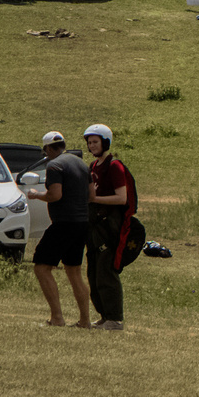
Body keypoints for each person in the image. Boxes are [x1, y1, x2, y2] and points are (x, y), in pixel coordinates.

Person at [31, 131, 94, 328]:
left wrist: (36, 195)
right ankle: (85, 320)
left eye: (46, 150)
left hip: (64, 223)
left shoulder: (54, 165)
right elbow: (91, 195)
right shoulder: (81, 164)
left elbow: (55, 195)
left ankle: (57, 318)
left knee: (42, 267)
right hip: (82, 223)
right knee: (74, 271)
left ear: (49, 148)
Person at [82, 123, 135, 331]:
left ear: (105, 142)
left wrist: (95, 199)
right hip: (94, 228)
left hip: (110, 228)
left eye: (95, 142)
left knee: (106, 271)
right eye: (89, 142)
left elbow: (122, 198)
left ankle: (115, 318)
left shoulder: (114, 167)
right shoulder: (93, 167)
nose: (92, 146)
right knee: (93, 272)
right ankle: (104, 315)